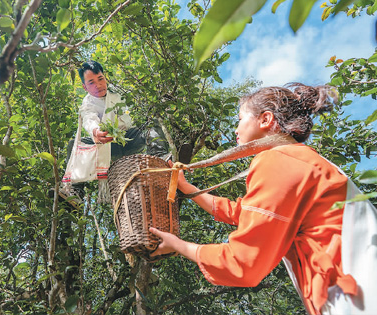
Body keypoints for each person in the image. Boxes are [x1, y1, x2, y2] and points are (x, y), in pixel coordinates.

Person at [149, 83, 377, 315]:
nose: (236, 128)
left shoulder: (278, 160)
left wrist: (177, 244)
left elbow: (243, 263)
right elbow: (245, 213)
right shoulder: (302, 160)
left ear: (265, 119)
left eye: (240, 119)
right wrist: (187, 188)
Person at [55, 60, 170, 206]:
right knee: (75, 144)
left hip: (128, 138)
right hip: (107, 145)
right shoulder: (88, 103)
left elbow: (134, 108)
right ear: (85, 87)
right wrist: (96, 131)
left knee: (152, 125)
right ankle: (75, 191)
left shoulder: (117, 92)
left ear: (105, 78)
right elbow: (89, 118)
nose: (98, 85)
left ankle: (161, 160)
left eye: (100, 79)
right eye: (91, 82)